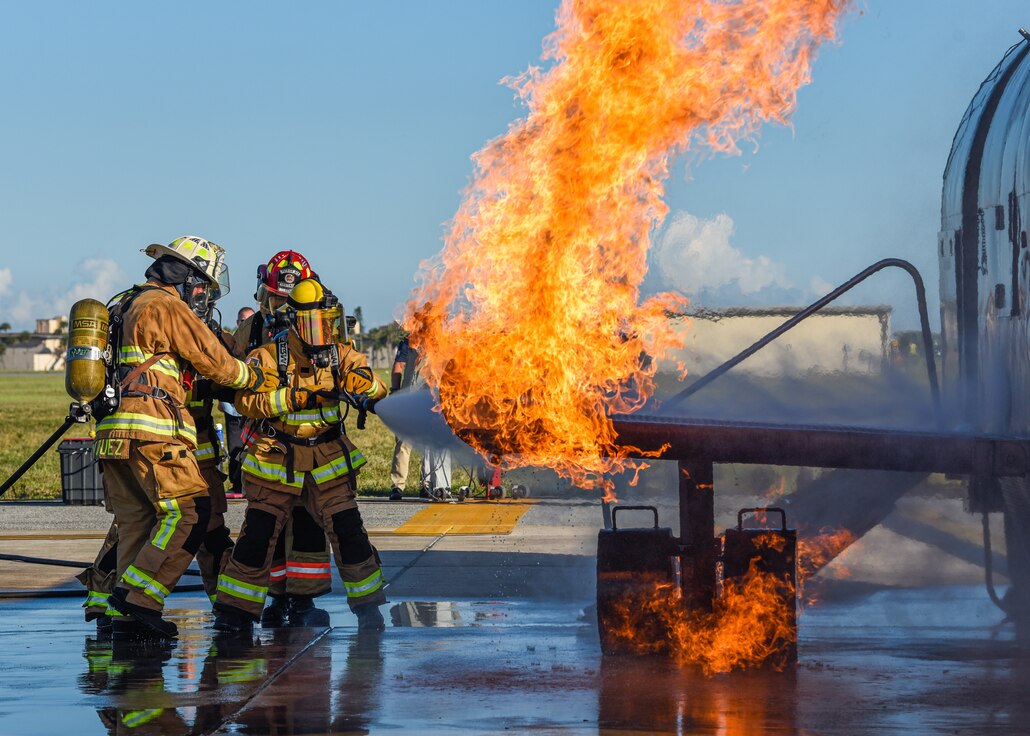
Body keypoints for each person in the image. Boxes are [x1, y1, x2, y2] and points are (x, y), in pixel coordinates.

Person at [92, 236, 275, 639]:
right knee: (191, 513)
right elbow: (214, 360)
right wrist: (252, 377)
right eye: (202, 285)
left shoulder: (125, 303)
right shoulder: (166, 306)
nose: (203, 294)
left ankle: (123, 614)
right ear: (187, 277)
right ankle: (139, 601)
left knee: (136, 522)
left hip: (112, 434)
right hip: (152, 429)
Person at [213, 278, 389, 633]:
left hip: (326, 461)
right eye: (313, 323)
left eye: (327, 322)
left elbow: (377, 387)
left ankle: (369, 609)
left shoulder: (342, 354)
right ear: (294, 321)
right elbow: (245, 401)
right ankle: (235, 614)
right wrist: (290, 398)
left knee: (350, 532)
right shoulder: (267, 356)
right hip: (277, 459)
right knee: (258, 535)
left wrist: (362, 385)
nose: (322, 331)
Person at [231, 251, 335, 627]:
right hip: (268, 445)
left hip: (313, 445)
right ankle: (275, 599)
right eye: (275, 300)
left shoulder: (324, 325)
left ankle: (304, 603)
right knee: (266, 526)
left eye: (288, 301)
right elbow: (233, 376)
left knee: (308, 523)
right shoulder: (252, 329)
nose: (281, 309)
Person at [388, 335, 452, 500]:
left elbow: (399, 366)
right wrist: (395, 390)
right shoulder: (408, 342)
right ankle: (404, 485)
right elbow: (399, 366)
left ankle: (420, 485)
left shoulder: (440, 341)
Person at [221, 306, 255, 496]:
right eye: (242, 321)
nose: (245, 324)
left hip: (253, 402)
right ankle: (237, 484)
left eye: (248, 320)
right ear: (237, 323)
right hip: (234, 403)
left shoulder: (259, 336)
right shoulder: (234, 341)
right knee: (235, 444)